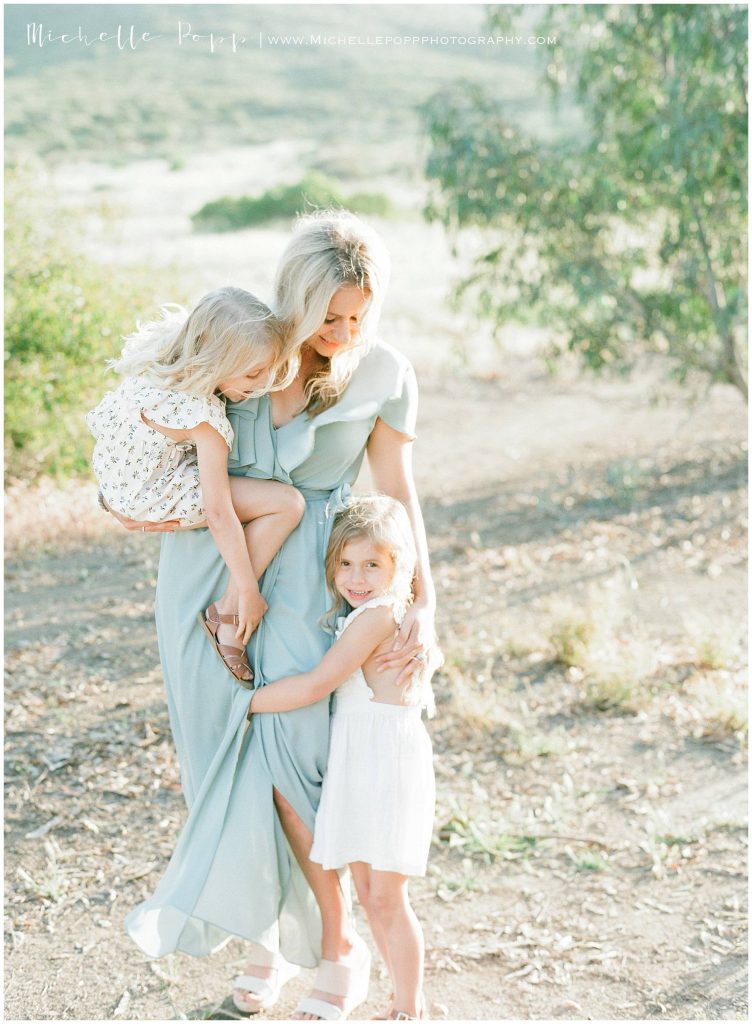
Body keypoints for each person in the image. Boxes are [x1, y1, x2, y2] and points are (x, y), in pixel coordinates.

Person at [117, 212, 437, 1021]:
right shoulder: (240, 351)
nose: (343, 331)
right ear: (293, 300)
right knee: (223, 764)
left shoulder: (384, 371)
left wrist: (420, 608)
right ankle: (268, 941)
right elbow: (140, 442)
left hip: (314, 583)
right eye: (328, 316)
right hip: (203, 574)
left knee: (297, 768)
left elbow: (396, 497)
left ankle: (337, 945)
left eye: (358, 315)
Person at [248, 495, 436, 1021]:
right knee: (373, 894)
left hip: (385, 766)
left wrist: (242, 704)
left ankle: (409, 1007)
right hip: (363, 763)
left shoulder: (376, 618)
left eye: (372, 564)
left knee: (385, 898)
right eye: (346, 564)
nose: (356, 576)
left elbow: (317, 683)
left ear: (399, 567)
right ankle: (402, 1001)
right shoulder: (363, 613)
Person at [86, 287, 304, 682]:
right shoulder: (205, 419)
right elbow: (219, 513)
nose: (263, 383)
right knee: (287, 504)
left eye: (268, 371)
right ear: (216, 360)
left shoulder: (158, 358)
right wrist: (249, 590)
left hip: (117, 478)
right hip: (148, 496)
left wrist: (108, 493)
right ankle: (228, 614)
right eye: (253, 373)